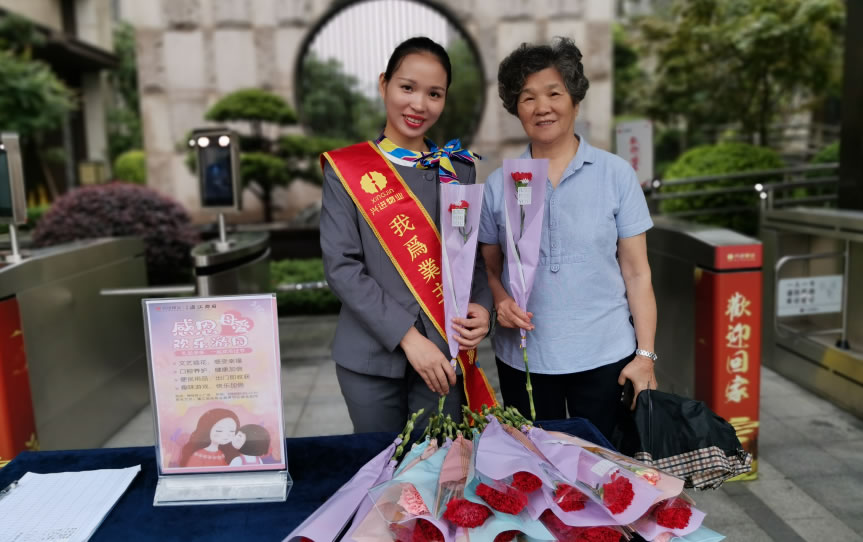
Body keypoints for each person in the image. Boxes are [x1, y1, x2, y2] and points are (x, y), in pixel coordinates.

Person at [478, 37, 657, 440]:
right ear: (516, 109)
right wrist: (501, 301)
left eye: (554, 93)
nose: (542, 107)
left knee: (603, 464)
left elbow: (637, 274)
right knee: (532, 464)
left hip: (606, 355)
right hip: (524, 358)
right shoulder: (499, 184)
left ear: (575, 100)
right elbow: (489, 268)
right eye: (528, 97)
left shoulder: (615, 175)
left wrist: (645, 356)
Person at [320, 37, 495, 434]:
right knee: (379, 465)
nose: (419, 104)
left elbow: (470, 259)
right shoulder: (346, 169)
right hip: (370, 360)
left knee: (438, 464)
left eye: (434, 94)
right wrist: (409, 338)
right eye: (407, 87)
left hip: (444, 353)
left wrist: (483, 308)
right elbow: (342, 268)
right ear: (384, 84)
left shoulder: (457, 169)